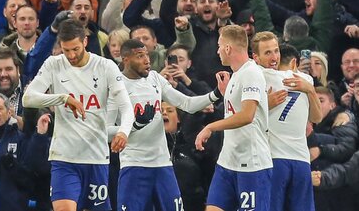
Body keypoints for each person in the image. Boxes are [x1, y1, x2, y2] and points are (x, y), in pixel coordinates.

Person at [22, 19, 134, 211]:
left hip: (96, 157)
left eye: (75, 49)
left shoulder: (105, 67)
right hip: (64, 156)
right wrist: (63, 98)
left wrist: (123, 132)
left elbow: (126, 107)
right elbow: (28, 99)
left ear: (85, 41)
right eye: (66, 50)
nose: (71, 55)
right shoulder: (54, 64)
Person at [117, 38, 228, 210]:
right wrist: (136, 125)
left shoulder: (155, 78)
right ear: (125, 59)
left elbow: (187, 104)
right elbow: (107, 130)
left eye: (147, 55)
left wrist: (215, 94)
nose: (147, 60)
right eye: (140, 56)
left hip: (163, 164)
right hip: (134, 164)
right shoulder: (117, 86)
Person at [195, 25, 272, 211]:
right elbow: (235, 112)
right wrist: (226, 93)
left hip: (252, 164)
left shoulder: (252, 73)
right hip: (228, 161)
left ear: (228, 48)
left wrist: (210, 127)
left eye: (220, 45)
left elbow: (247, 116)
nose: (218, 50)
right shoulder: (236, 75)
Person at [252, 35, 322, 211]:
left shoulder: (257, 77)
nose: (273, 57)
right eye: (268, 52)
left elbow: (239, 115)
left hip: (275, 160)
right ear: (294, 64)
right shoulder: (306, 81)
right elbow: (317, 118)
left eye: (275, 51)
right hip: (301, 161)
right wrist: (310, 90)